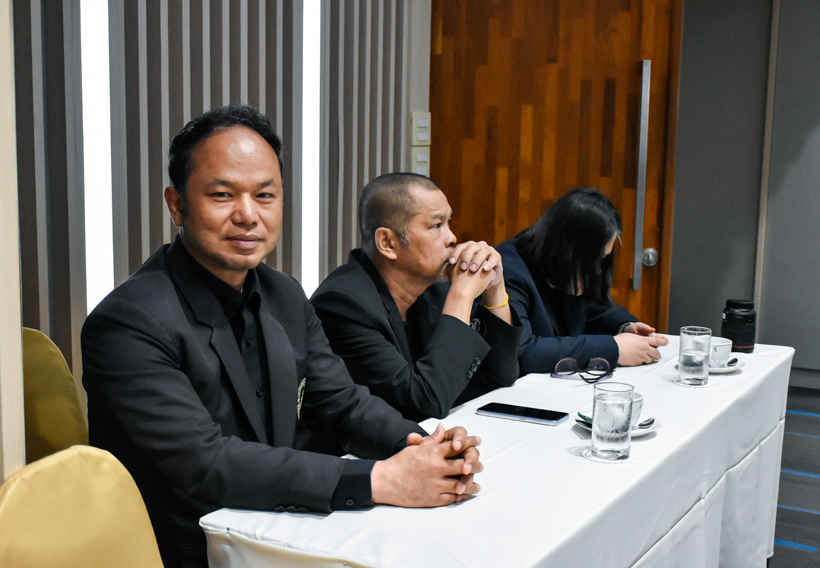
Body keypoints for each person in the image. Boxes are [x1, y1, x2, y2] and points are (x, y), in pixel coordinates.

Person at [81, 106, 482, 568]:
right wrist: (381, 480)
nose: (247, 215)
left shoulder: (284, 293)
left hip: (280, 526)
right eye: (222, 194)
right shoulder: (128, 321)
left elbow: (343, 402)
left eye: (265, 195)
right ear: (177, 205)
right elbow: (205, 462)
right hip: (187, 550)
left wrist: (424, 448)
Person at [309, 173, 522, 423]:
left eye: (449, 223)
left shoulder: (434, 290)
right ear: (388, 243)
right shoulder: (342, 305)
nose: (452, 238)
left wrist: (494, 288)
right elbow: (423, 403)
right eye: (436, 226)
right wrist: (462, 296)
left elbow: (500, 376)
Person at [497, 187, 668, 374]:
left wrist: (625, 328)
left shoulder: (561, 264)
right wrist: (614, 348)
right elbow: (524, 353)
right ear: (570, 250)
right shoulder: (509, 270)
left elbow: (594, 308)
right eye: (595, 260)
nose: (597, 270)